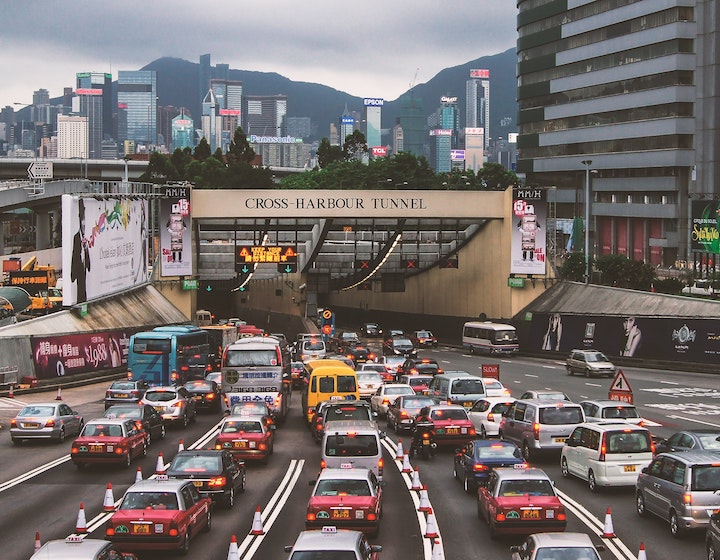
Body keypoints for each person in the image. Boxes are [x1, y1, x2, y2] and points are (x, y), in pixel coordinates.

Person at [70, 199, 91, 302]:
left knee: (84, 290)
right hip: (79, 271)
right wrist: (73, 275)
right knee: (80, 290)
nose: (84, 223)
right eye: (82, 220)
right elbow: (74, 255)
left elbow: (88, 260)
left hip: (84, 270)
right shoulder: (76, 237)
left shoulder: (86, 237)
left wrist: (86, 248)